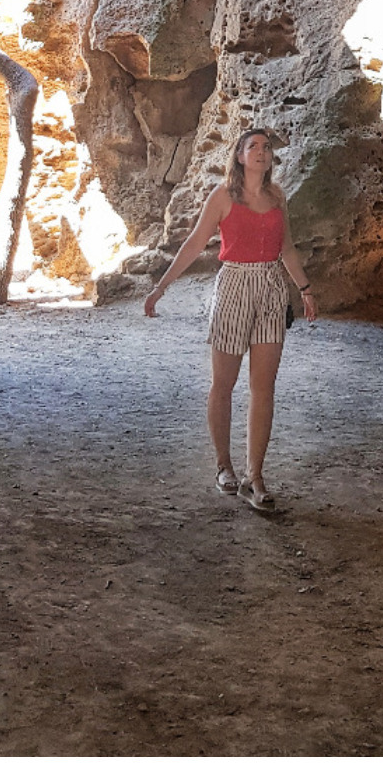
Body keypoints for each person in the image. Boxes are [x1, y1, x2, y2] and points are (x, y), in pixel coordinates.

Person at [143, 129, 318, 509]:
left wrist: (304, 289)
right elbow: (193, 244)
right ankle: (224, 464)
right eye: (252, 146)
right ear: (238, 156)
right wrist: (161, 288)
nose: (261, 152)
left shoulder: (276, 197)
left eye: (266, 147)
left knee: (263, 387)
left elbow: (286, 247)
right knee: (223, 383)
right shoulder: (222, 197)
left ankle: (255, 476)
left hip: (271, 287)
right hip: (234, 285)